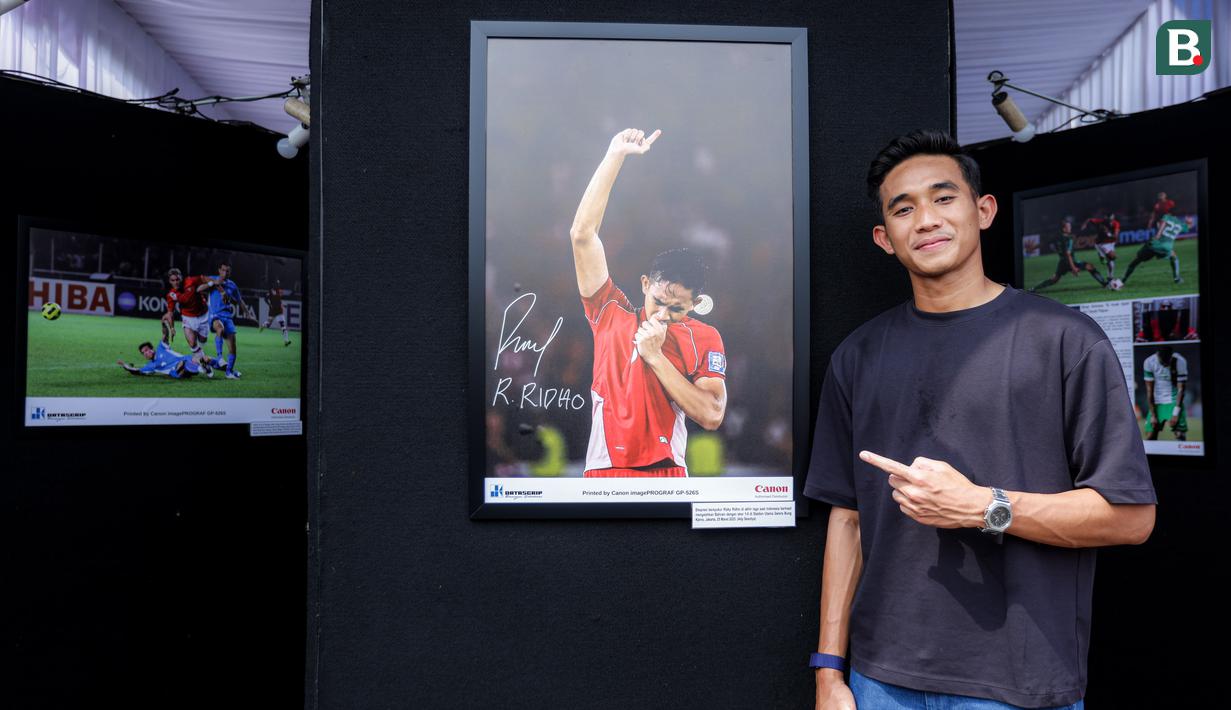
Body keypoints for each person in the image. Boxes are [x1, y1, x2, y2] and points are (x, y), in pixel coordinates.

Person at [807, 130, 1156, 710]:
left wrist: (984, 506)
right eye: (903, 208)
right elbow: (848, 520)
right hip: (879, 679)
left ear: (983, 210)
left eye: (944, 198)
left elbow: (1131, 517)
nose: (925, 220)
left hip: (1017, 681)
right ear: (883, 238)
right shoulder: (857, 356)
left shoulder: (1065, 341)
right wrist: (828, 671)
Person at [568, 128, 727, 478]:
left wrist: (654, 356)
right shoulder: (610, 312)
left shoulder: (704, 337)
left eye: (678, 308)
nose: (664, 314)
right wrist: (615, 155)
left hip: (667, 474)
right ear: (644, 285)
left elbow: (712, 415)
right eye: (658, 301)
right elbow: (582, 236)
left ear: (695, 303)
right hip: (604, 471)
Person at [1028, 216, 1108, 292]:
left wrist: (1033, 248)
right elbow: (1068, 254)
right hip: (1070, 261)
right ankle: (1105, 284)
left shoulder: (1057, 237)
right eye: (1068, 227)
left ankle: (1034, 288)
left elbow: (1043, 243)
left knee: (1054, 279)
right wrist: (1073, 268)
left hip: (1062, 262)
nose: (1070, 228)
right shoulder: (1069, 239)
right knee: (1090, 267)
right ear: (1064, 229)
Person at [1120, 202, 1185, 286]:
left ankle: (1122, 281)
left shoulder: (1166, 217)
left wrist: (1158, 233)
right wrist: (1188, 223)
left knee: (1135, 262)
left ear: (1169, 213)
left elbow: (1161, 225)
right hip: (1166, 247)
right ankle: (1177, 279)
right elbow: (1187, 227)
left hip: (1154, 243)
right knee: (1174, 257)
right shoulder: (1180, 223)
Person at [206, 262, 248, 378]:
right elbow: (202, 280)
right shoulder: (214, 279)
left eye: (228, 271)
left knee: (233, 348)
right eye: (223, 270)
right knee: (219, 328)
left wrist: (248, 313)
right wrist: (215, 285)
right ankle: (219, 358)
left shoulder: (232, 285)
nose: (225, 273)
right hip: (215, 315)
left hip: (228, 317)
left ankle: (229, 372)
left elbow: (239, 301)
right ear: (219, 270)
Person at [163, 268, 216, 358]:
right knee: (192, 343)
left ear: (181, 278)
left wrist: (213, 283)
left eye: (177, 279)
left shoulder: (190, 281)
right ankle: (204, 363)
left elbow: (204, 278)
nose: (176, 282)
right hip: (188, 317)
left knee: (202, 340)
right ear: (169, 281)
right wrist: (172, 328)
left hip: (203, 315)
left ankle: (200, 356)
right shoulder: (171, 295)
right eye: (173, 280)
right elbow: (170, 313)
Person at [1142, 345, 1188, 441]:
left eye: (1168, 361)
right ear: (1158, 355)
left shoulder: (1180, 361)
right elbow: (1149, 391)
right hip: (1157, 402)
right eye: (1163, 362)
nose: (1165, 365)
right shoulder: (1149, 362)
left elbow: (1181, 390)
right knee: (1150, 437)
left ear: (1171, 355)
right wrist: (1153, 415)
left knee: (1180, 435)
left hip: (1174, 400)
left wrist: (1175, 413)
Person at [116, 340, 221, 379]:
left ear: (152, 349)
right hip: (178, 372)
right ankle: (202, 368)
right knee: (183, 364)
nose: (146, 353)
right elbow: (137, 371)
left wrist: (165, 325)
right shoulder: (150, 366)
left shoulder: (161, 348)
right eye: (143, 353)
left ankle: (218, 365)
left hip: (187, 359)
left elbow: (165, 336)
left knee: (202, 357)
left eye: (147, 350)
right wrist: (125, 365)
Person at [1082, 213, 1120, 280]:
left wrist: (1109, 234)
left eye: (1111, 220)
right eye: (1109, 219)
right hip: (1101, 244)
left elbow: (1116, 236)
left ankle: (1110, 278)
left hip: (1111, 243)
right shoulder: (1100, 222)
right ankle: (1102, 256)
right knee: (1111, 258)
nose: (1110, 221)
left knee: (1111, 262)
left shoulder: (1116, 224)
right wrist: (1084, 225)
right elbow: (1089, 219)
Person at [259, 280, 293, 346]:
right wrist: (269, 304)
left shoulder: (280, 291)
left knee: (282, 325)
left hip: (279, 311)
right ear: (274, 284)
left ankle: (286, 341)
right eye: (276, 284)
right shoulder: (271, 291)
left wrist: (283, 305)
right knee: (268, 324)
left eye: (278, 284)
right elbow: (265, 298)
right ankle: (263, 325)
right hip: (273, 310)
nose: (278, 285)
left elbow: (279, 300)